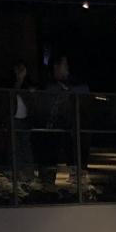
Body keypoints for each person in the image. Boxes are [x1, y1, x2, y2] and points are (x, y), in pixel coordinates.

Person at [37, 53, 74, 187]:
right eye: (65, 65)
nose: (67, 69)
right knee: (48, 162)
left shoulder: (63, 86)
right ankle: (46, 187)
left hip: (58, 130)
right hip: (50, 131)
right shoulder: (50, 87)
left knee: (52, 162)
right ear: (56, 67)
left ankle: (48, 186)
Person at [11, 60, 34, 178]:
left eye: (22, 70)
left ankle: (28, 173)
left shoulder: (28, 84)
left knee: (25, 146)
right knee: (16, 146)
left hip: (25, 119)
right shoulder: (12, 83)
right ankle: (18, 173)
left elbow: (30, 98)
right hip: (15, 118)